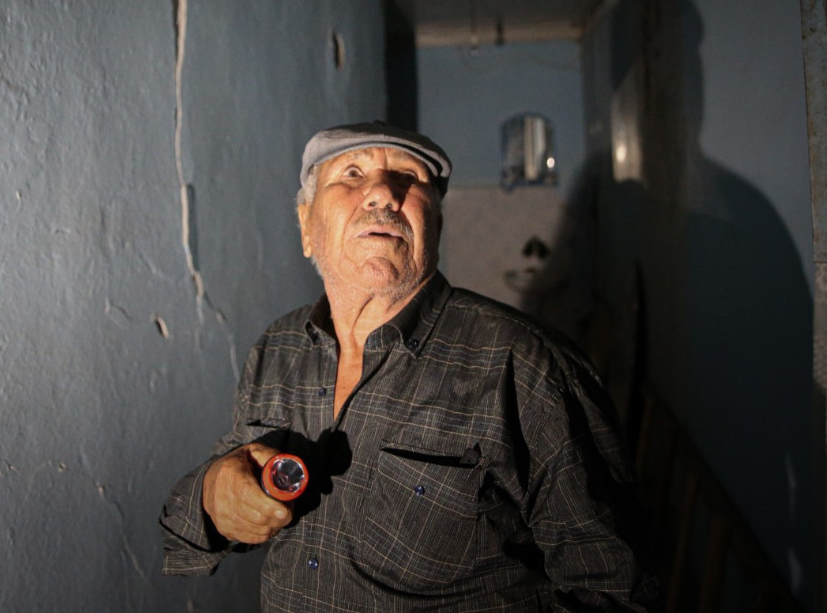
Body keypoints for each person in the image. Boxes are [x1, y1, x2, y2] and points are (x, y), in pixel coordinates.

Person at [159, 122, 657, 611]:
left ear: (435, 226)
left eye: (408, 177)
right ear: (307, 226)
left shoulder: (526, 366)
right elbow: (185, 520)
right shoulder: (277, 348)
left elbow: (617, 591)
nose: (382, 193)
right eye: (352, 174)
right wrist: (213, 494)